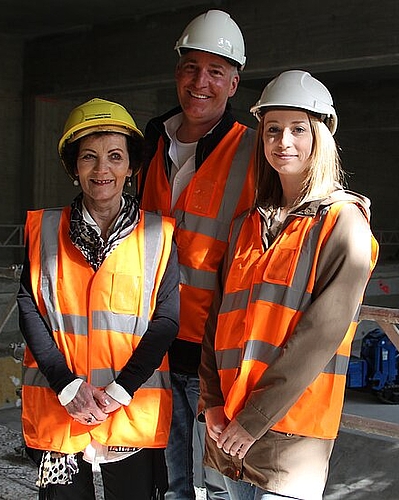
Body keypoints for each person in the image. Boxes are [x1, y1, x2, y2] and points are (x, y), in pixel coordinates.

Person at [199, 70, 379, 499]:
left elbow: (319, 337)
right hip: (229, 430)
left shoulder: (342, 224)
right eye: (273, 130)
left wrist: (253, 418)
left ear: (320, 137)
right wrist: (210, 404)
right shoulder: (247, 225)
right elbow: (217, 322)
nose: (284, 141)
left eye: (299, 129)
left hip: (289, 439)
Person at [17, 97, 180, 499]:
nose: (102, 169)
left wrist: (120, 391)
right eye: (89, 157)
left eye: (114, 156)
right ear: (74, 168)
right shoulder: (45, 229)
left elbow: (166, 320)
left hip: (129, 407)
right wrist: (67, 386)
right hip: (61, 406)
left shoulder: (159, 235)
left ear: (131, 167)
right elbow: (29, 306)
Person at [136, 9, 255, 500]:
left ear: (233, 82)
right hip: (155, 349)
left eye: (215, 71)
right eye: (190, 68)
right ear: (177, 73)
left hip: (217, 357)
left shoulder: (253, 148)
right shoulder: (150, 141)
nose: (199, 81)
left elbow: (305, 195)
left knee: (230, 486)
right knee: (173, 484)